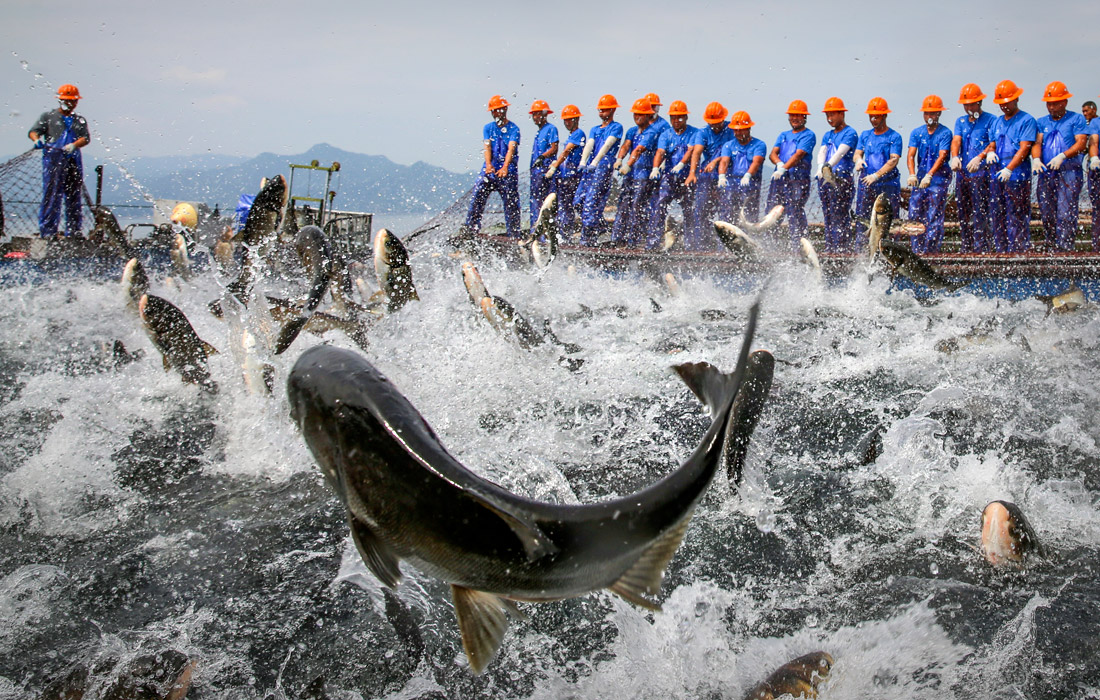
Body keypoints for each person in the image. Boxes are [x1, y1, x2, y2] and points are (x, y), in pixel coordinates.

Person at [28, 84, 90, 238]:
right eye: (67, 100)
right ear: (60, 100)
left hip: (72, 161)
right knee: (52, 195)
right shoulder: (48, 117)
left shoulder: (79, 120)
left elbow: (85, 138)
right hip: (53, 161)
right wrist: (36, 140)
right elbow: (34, 131)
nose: (70, 103)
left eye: (73, 101)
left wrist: (74, 145)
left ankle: (74, 231)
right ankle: (48, 231)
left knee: (73, 195)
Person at [982, 80, 1037, 253]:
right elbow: (992, 143)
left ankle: (1017, 251)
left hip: (1017, 176)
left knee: (1017, 215)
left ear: (1016, 99)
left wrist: (1009, 168)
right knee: (996, 214)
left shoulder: (1026, 120)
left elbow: (1024, 148)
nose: (1004, 107)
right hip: (997, 176)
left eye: (1007, 103)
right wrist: (990, 152)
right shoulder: (997, 122)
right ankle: (1001, 250)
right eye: (1001, 104)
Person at [1032, 81, 1088, 251]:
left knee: (1065, 212)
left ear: (1064, 102)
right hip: (1047, 173)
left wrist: (1063, 155)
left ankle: (1065, 247)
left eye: (1055, 103)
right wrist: (1036, 159)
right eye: (1049, 103)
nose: (1051, 107)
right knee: (1047, 212)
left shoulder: (1076, 119)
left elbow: (1081, 143)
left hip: (1069, 172)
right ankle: (1051, 244)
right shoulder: (1041, 122)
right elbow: (1037, 142)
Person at [460, 95, 522, 240]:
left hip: (508, 171)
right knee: (477, 196)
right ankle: (471, 229)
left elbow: (511, 150)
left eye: (499, 110)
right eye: (494, 111)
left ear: (505, 109)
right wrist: (488, 165)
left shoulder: (514, 129)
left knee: (511, 204)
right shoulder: (488, 128)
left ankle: (514, 235)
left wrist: (505, 167)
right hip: (491, 169)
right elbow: (487, 147)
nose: (497, 113)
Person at [949, 83, 997, 253]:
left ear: (979, 103)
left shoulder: (991, 120)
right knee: (964, 212)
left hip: (982, 174)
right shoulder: (960, 122)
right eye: (966, 104)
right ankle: (966, 246)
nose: (969, 107)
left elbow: (993, 142)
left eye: (972, 103)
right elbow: (956, 140)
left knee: (981, 210)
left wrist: (980, 157)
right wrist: (954, 156)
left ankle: (982, 247)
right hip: (964, 175)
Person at [853, 97, 903, 249]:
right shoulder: (865, 135)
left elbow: (894, 160)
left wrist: (877, 175)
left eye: (877, 116)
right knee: (862, 218)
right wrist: (858, 160)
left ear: (885, 116)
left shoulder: (894, 137)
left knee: (890, 222)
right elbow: (857, 153)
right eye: (871, 116)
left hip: (887, 185)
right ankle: (861, 251)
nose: (873, 119)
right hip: (867, 184)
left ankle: (891, 251)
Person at [906, 95, 953, 254]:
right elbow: (911, 154)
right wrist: (912, 174)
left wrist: (930, 175)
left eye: (933, 113)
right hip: (920, 178)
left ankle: (931, 251)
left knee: (934, 215)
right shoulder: (917, 132)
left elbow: (943, 156)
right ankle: (916, 250)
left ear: (939, 114)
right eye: (927, 113)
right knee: (915, 213)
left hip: (938, 179)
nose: (929, 117)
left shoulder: (945, 133)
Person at [610, 99, 660, 247]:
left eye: (641, 114)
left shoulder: (652, 132)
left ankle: (633, 241)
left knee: (637, 206)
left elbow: (638, 149)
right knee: (623, 204)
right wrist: (619, 159)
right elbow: (627, 145)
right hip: (631, 176)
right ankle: (617, 239)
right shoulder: (631, 131)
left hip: (644, 176)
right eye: (635, 114)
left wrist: (628, 164)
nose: (637, 116)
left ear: (647, 116)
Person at [767, 100, 817, 248]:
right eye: (792, 115)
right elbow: (773, 154)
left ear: (804, 117)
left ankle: (799, 246)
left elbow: (798, 155)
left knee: (794, 210)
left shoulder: (808, 135)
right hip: (780, 179)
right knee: (772, 211)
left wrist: (784, 168)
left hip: (798, 179)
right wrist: (779, 164)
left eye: (798, 115)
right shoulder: (783, 135)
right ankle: (770, 245)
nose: (795, 118)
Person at [649, 100, 697, 249]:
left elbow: (691, 151)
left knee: (690, 210)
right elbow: (660, 152)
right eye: (673, 118)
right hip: (669, 178)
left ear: (686, 118)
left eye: (680, 117)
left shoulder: (695, 133)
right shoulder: (666, 135)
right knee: (660, 205)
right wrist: (655, 168)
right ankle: (653, 243)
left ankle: (691, 244)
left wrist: (682, 165)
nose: (676, 121)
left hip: (687, 178)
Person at [576, 94, 623, 246]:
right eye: (600, 110)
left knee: (591, 201)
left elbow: (607, 145)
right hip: (590, 167)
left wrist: (596, 161)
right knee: (579, 200)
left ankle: (587, 238)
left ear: (612, 110)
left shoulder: (616, 127)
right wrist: (583, 161)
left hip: (603, 166)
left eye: (604, 110)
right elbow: (590, 144)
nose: (601, 113)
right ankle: (600, 226)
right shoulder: (595, 129)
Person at [685, 102, 731, 250]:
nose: (715, 126)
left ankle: (723, 248)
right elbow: (697, 152)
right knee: (700, 210)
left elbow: (731, 150)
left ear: (723, 119)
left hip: (727, 174)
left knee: (726, 211)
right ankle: (700, 247)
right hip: (708, 175)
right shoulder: (703, 132)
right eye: (711, 123)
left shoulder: (731, 129)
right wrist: (692, 173)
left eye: (717, 123)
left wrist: (716, 161)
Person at [815, 97, 858, 252]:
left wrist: (827, 167)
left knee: (839, 214)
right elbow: (822, 151)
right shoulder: (828, 135)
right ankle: (830, 247)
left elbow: (840, 153)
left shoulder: (850, 133)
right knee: (828, 214)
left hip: (841, 180)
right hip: (825, 180)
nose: (829, 119)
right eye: (827, 115)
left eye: (832, 115)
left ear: (842, 114)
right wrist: (820, 167)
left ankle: (842, 248)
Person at [545, 104, 585, 241]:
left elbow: (566, 151)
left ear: (576, 119)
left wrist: (555, 165)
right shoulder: (571, 135)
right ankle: (564, 235)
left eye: (569, 119)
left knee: (575, 204)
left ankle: (589, 229)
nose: (566, 123)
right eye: (565, 120)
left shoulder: (579, 134)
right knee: (565, 207)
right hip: (565, 177)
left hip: (573, 178)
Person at [717, 111, 766, 225]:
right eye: (736, 130)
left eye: (741, 129)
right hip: (732, 185)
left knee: (749, 218)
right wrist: (721, 176)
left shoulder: (759, 145)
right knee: (727, 215)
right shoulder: (729, 145)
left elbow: (756, 162)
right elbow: (724, 161)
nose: (738, 132)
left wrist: (748, 175)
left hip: (751, 184)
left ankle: (749, 239)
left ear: (749, 128)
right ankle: (724, 240)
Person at [527, 100, 559, 232]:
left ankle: (543, 234)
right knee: (535, 202)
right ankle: (534, 231)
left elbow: (554, 148)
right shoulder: (539, 132)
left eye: (538, 114)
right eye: (534, 114)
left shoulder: (551, 129)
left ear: (545, 114)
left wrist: (543, 157)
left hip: (545, 172)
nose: (535, 117)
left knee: (545, 203)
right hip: (536, 173)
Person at [1084, 99, 1100, 250]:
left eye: (1086, 111)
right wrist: (1094, 158)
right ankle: (1097, 245)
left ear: (1093, 110)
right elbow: (1093, 143)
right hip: (1097, 170)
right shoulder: (1094, 125)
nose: (1085, 114)